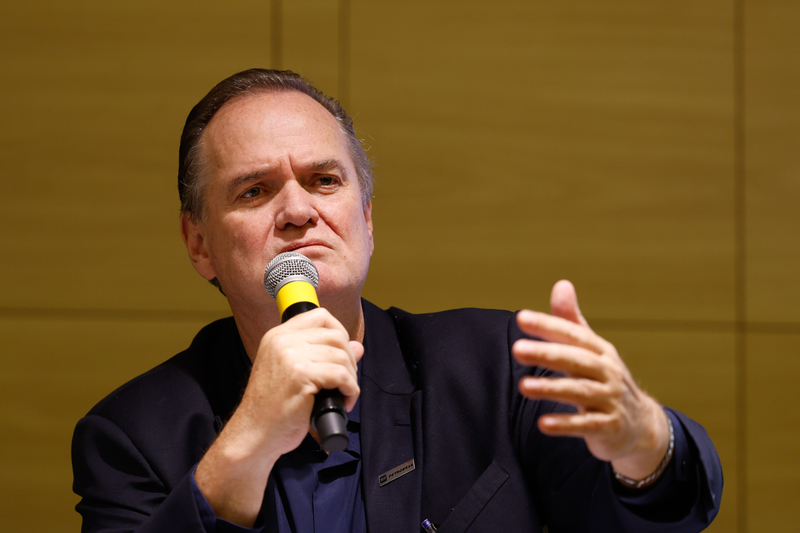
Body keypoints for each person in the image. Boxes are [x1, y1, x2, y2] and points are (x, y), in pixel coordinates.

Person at [72, 69, 723, 533]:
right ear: (199, 244)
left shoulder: (500, 369)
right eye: (254, 191)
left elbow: (661, 515)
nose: (298, 210)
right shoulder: (131, 436)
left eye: (324, 180)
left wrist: (645, 442)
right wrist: (245, 444)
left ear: (366, 217)